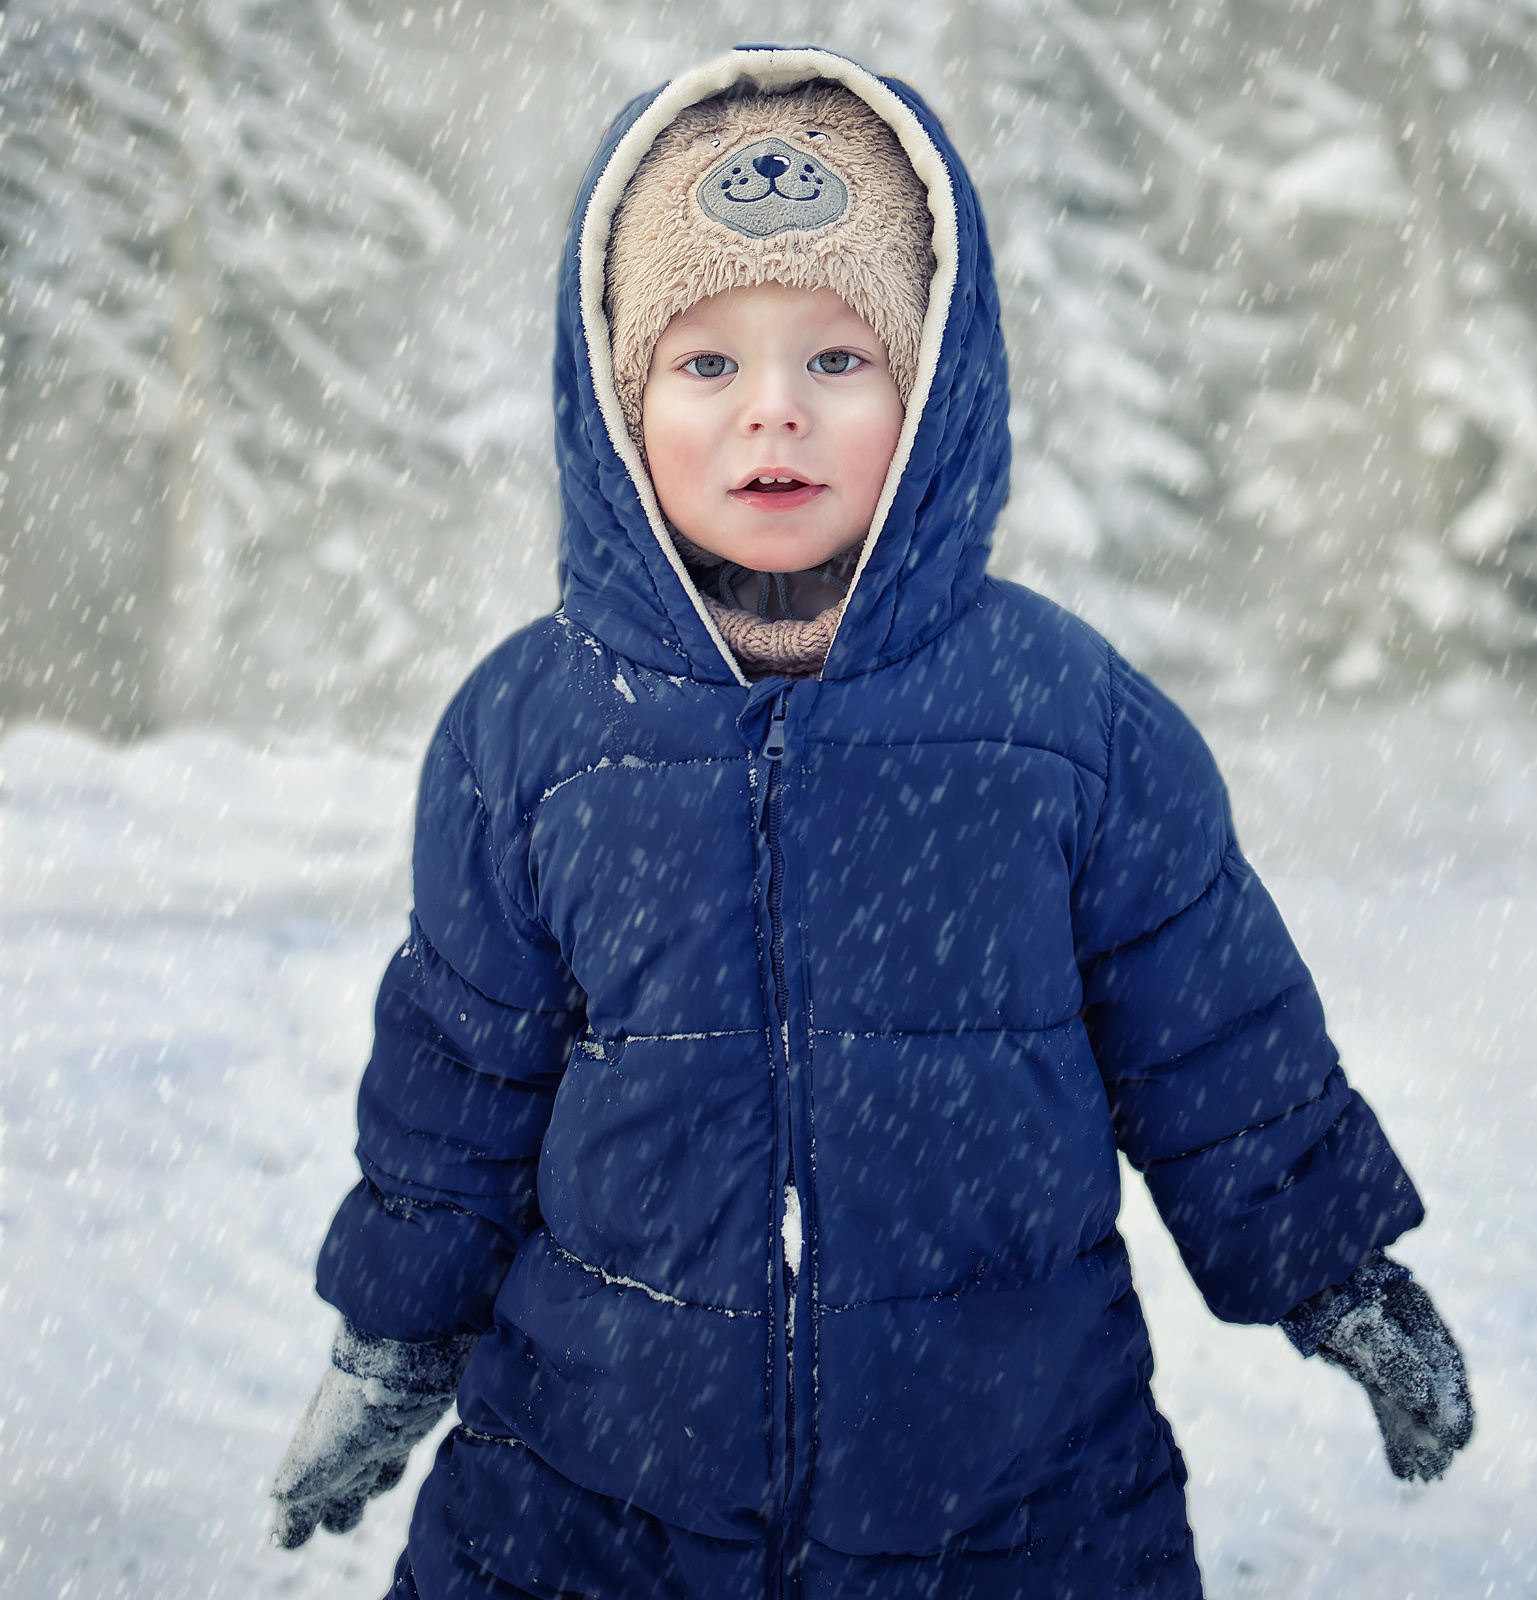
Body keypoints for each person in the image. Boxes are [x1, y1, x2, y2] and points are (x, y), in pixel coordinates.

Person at [269, 46, 1473, 1600]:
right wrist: (391, 1337)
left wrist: (1333, 1268)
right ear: (616, 399)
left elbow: (1213, 1034)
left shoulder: (1065, 717)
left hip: (1018, 1504)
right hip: (585, 1502)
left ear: (934, 386)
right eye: (707, 364)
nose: (775, 413)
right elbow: (460, 1075)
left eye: (839, 359)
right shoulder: (535, 730)